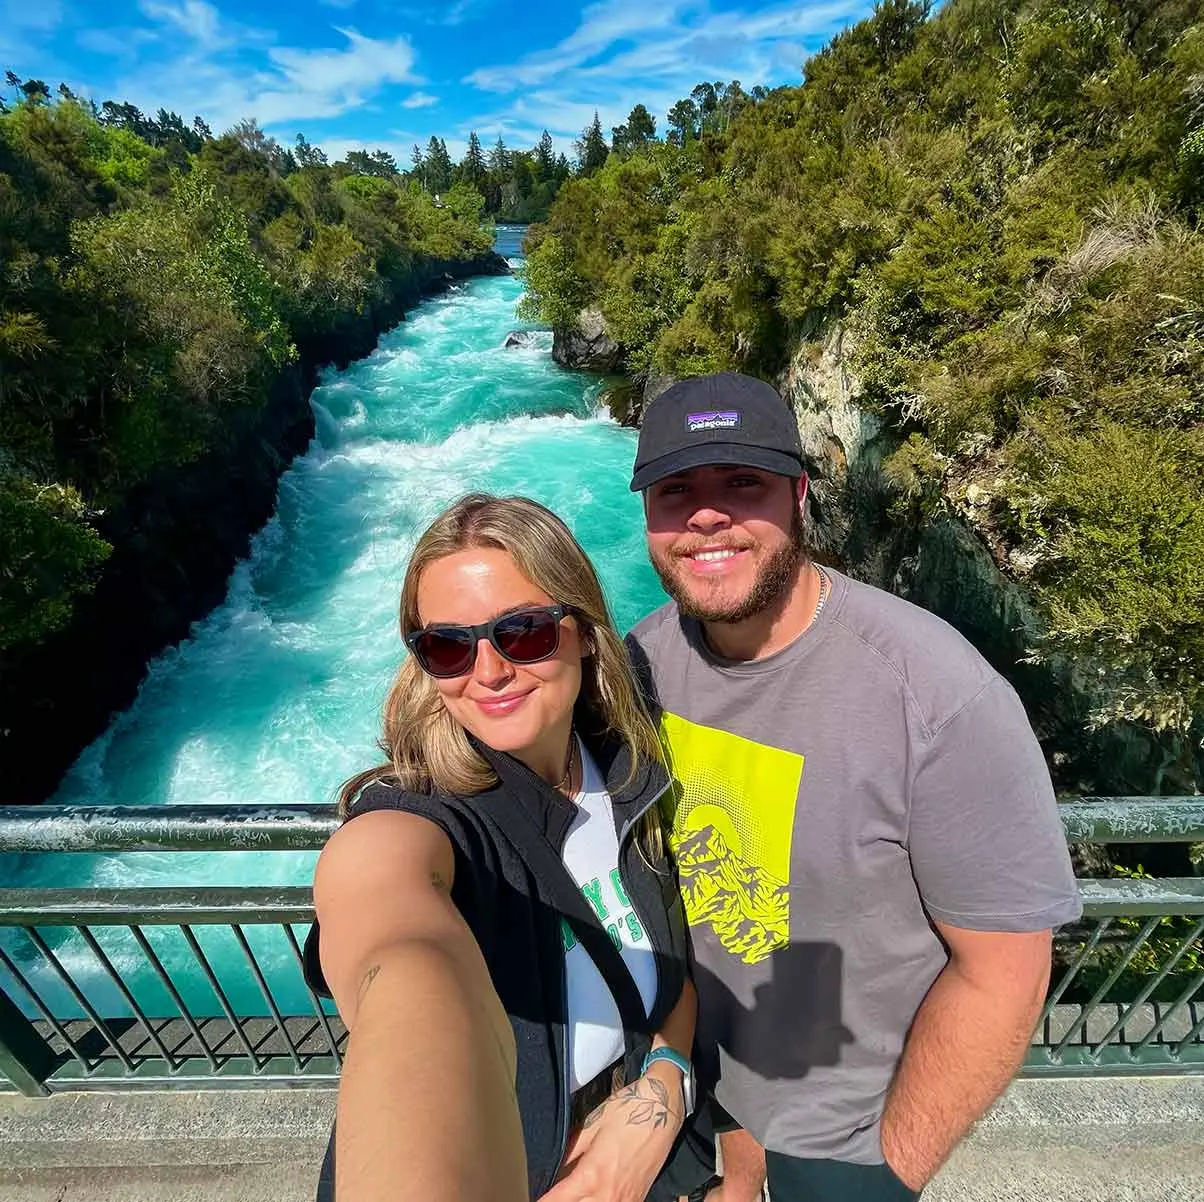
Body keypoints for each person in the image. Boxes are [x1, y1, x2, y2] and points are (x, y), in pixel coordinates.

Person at [623, 373, 1083, 1201]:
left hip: (850, 1138)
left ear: (800, 495)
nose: (706, 516)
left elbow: (1006, 970)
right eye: (675, 490)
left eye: (743, 483)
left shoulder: (940, 697)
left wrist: (886, 1172)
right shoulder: (639, 667)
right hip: (698, 1098)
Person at [305, 493, 713, 1202]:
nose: (487, 672)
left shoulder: (626, 770)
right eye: (447, 646)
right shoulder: (424, 821)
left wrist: (666, 1084)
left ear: (584, 632)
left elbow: (669, 965)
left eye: (521, 632)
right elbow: (394, 937)